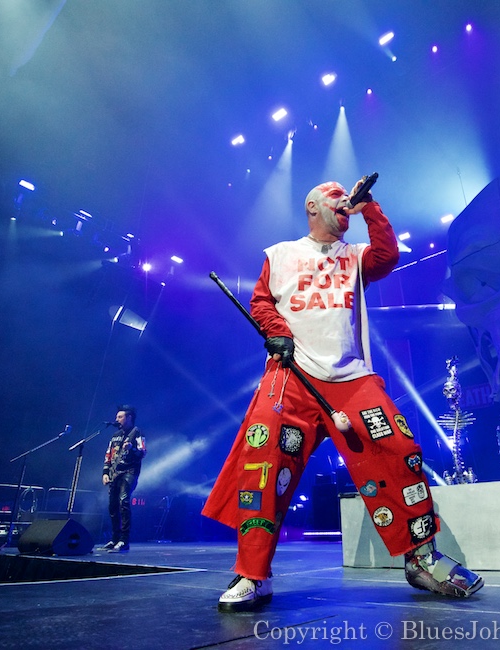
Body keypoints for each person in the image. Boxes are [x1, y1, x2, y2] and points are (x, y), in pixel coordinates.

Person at [202, 179, 483, 612]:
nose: (344, 203)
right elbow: (261, 303)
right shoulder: (279, 254)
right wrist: (276, 333)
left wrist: (369, 207)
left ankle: (421, 559)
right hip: (291, 376)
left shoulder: (354, 256)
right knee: (263, 467)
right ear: (312, 207)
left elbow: (387, 256)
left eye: (346, 198)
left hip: (351, 376)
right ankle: (253, 574)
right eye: (336, 198)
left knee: (399, 447)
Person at [101, 405, 146, 552]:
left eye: (120, 417)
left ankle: (124, 540)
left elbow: (143, 452)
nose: (117, 419)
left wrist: (131, 449)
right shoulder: (115, 436)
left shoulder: (136, 432)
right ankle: (115, 539)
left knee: (123, 502)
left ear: (129, 417)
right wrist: (105, 473)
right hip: (115, 473)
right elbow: (108, 455)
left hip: (129, 472)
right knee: (112, 506)